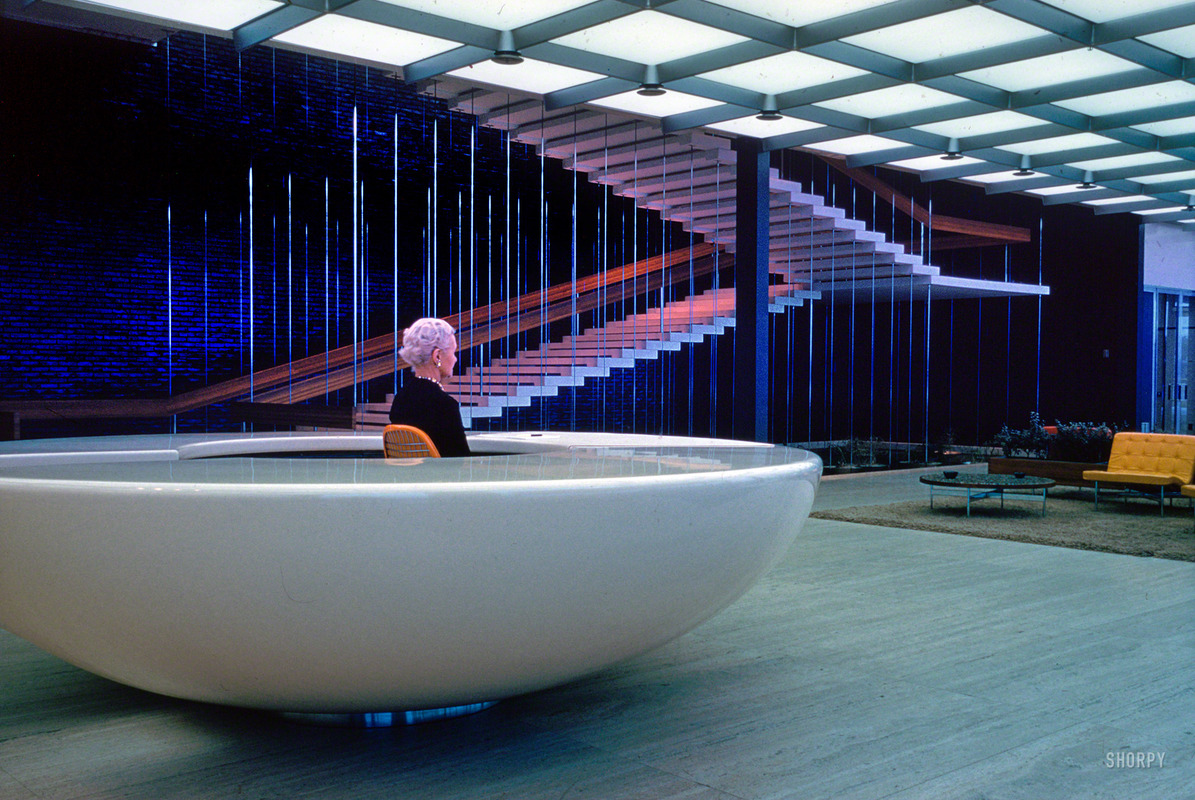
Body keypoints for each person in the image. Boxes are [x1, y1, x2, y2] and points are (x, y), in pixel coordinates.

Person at [388, 317, 471, 457]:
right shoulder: (444, 405)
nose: (455, 359)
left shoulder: (400, 399)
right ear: (437, 356)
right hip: (440, 477)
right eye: (453, 352)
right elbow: (460, 461)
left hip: (406, 477)